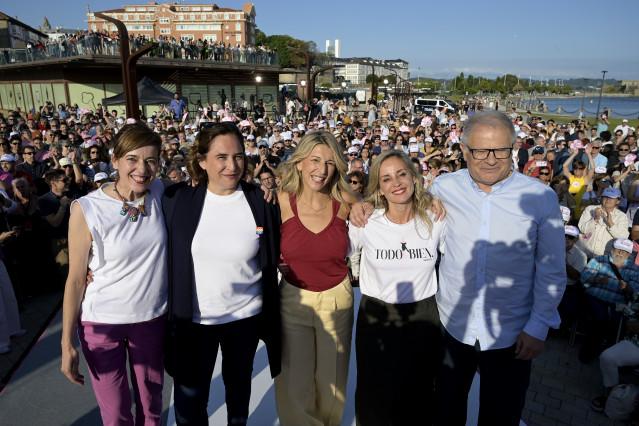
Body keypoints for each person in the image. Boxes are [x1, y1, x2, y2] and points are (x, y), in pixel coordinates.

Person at [351, 110, 566, 425]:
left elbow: (552, 271)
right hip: (452, 328)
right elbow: (402, 200)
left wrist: (538, 326)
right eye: (480, 150)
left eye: (500, 150)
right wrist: (366, 203)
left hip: (510, 334)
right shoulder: (443, 188)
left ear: (514, 149)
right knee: (445, 413)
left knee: (501, 417)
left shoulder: (541, 198)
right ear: (464, 150)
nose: (490, 159)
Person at [162, 123, 281, 426]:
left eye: (239, 156)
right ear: (201, 161)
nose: (232, 166)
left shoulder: (261, 201)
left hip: (245, 319)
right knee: (190, 405)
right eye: (221, 157)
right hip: (194, 323)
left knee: (239, 396)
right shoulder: (176, 200)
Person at [61, 122, 168, 425]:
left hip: (150, 319)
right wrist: (66, 343)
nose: (142, 169)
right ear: (116, 161)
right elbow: (75, 279)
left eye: (151, 161)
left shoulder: (159, 191)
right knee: (116, 413)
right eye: (132, 159)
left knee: (151, 408)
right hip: (101, 324)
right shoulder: (88, 208)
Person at [349, 150, 445, 425]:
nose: (397, 183)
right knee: (373, 394)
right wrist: (354, 204)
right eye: (387, 178)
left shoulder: (435, 219)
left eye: (402, 174)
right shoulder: (366, 222)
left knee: (419, 392)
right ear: (379, 188)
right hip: (377, 316)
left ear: (415, 178)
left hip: (423, 315)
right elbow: (333, 249)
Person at [275, 131, 359, 426]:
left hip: (338, 298)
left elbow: (385, 206)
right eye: (314, 160)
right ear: (299, 163)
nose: (321, 170)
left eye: (330, 163)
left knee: (332, 382)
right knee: (296, 382)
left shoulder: (347, 204)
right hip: (293, 300)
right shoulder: (281, 200)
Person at [579, 239, 639, 364]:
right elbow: (583, 277)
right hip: (595, 298)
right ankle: (589, 351)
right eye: (618, 249)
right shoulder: (599, 260)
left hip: (618, 303)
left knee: (618, 323)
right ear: (613, 247)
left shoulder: (634, 269)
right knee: (601, 318)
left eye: (625, 251)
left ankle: (610, 355)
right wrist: (597, 280)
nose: (621, 252)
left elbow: (635, 292)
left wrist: (627, 288)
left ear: (629, 253)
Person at [577, 187, 629, 259]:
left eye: (612, 197)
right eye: (606, 197)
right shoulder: (590, 209)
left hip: (603, 257)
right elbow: (583, 229)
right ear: (602, 198)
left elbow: (623, 237)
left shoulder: (622, 216)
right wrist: (595, 219)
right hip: (583, 253)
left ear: (618, 201)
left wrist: (611, 224)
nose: (608, 199)